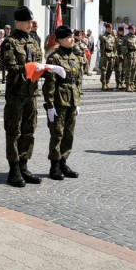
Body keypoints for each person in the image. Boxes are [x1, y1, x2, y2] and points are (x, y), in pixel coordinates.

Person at [0, 5, 44, 187]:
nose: (29, 24)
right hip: (16, 93)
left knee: (29, 130)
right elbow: (12, 67)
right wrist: (31, 68)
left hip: (31, 92)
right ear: (17, 22)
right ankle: (14, 169)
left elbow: (38, 60)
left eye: (31, 21)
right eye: (27, 21)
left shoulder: (34, 41)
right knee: (14, 131)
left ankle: (24, 165)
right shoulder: (9, 42)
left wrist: (44, 69)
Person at [42, 25, 83, 179]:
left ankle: (63, 162)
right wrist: (50, 105)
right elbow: (50, 84)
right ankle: (54, 166)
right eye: (68, 37)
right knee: (57, 134)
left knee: (69, 134)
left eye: (72, 36)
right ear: (59, 40)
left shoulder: (75, 57)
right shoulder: (54, 58)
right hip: (59, 100)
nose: (72, 39)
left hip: (72, 100)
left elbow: (78, 81)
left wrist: (78, 101)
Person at [98, 22, 117, 90]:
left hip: (112, 55)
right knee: (104, 70)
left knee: (110, 69)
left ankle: (107, 82)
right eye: (109, 28)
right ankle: (103, 83)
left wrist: (115, 55)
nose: (110, 29)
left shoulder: (113, 37)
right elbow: (102, 47)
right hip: (105, 54)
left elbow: (115, 47)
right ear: (106, 28)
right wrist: (103, 56)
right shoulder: (103, 37)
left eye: (111, 28)